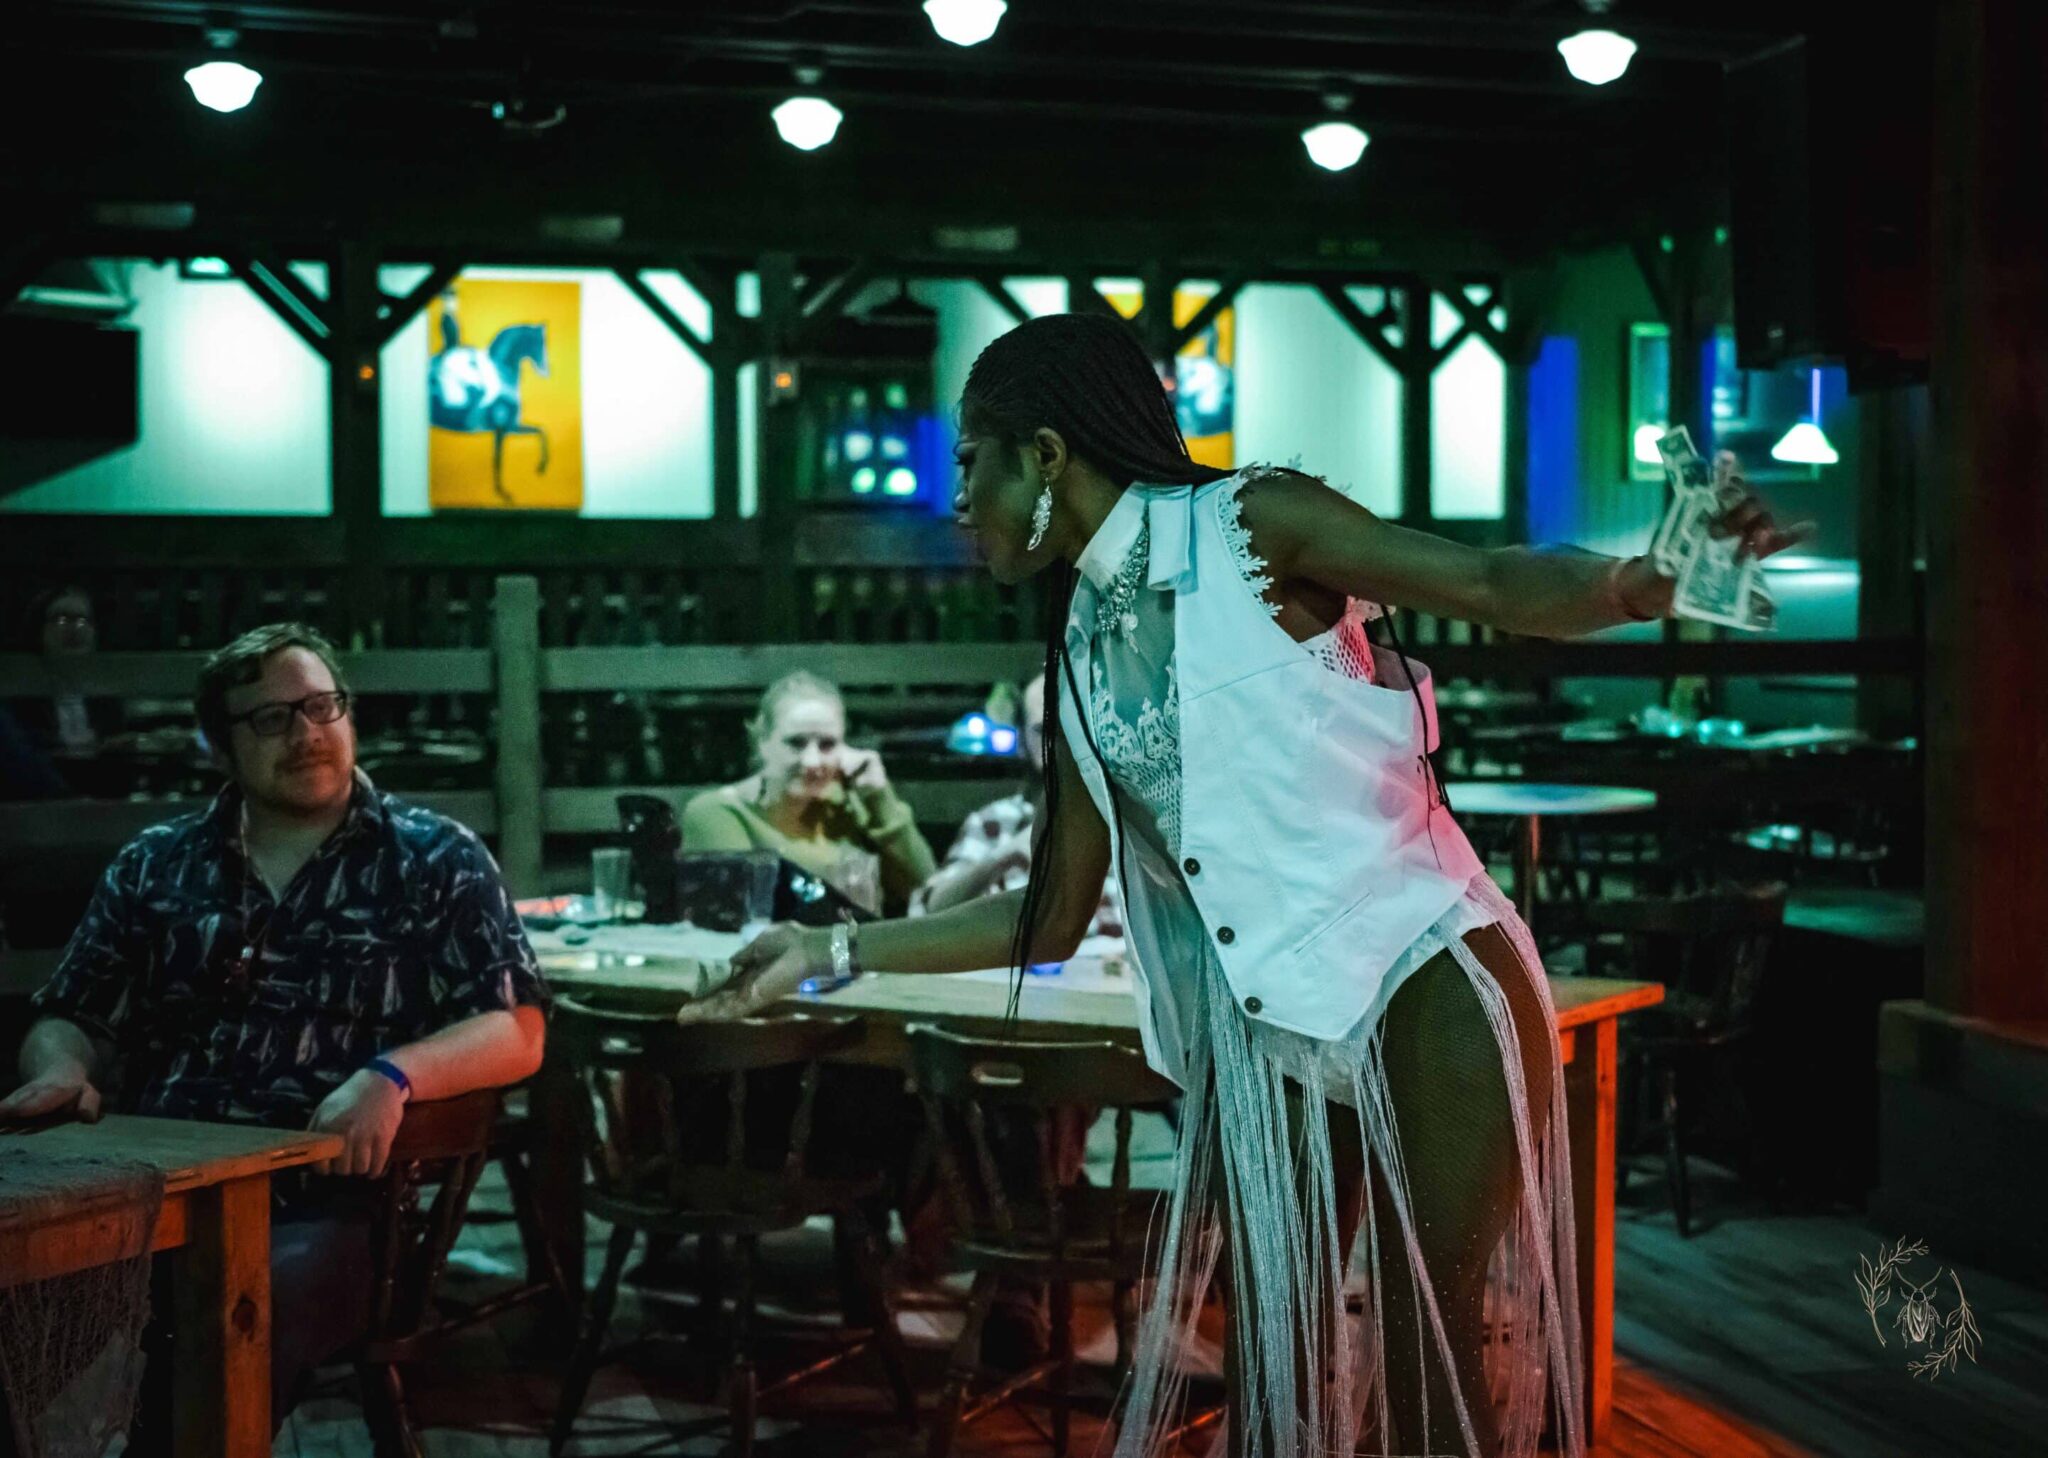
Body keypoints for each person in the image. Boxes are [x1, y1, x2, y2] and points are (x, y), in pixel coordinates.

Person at [680, 314, 1811, 1458]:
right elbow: (1047, 918)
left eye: (972, 461)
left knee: (1426, 1359)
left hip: (1423, 973)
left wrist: (1639, 580)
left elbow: (1484, 578)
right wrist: (824, 953)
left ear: (1047, 455)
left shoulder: (1249, 524)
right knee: (1276, 1375)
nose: (957, 499)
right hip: (1269, 1032)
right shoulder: (1078, 652)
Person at [0, 621, 551, 1440]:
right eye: (271, 718)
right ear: (218, 746)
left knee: (228, 1327)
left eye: (323, 706)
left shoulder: (435, 859)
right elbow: (72, 1011)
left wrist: (391, 1076)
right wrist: (62, 1068)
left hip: (328, 1202)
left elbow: (517, 1027)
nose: (307, 733)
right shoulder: (158, 863)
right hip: (157, 1187)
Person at [681, 670, 937, 916]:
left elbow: (930, 895)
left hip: (865, 945)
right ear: (762, 741)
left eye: (827, 744)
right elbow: (740, 914)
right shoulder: (718, 813)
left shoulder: (850, 809)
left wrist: (879, 798)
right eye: (796, 743)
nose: (812, 761)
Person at [909, 671, 1120, 937]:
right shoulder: (996, 821)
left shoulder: (1129, 820)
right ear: (1022, 740)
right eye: (1043, 730)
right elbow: (928, 912)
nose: (1060, 743)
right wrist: (1005, 855)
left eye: (1071, 728)